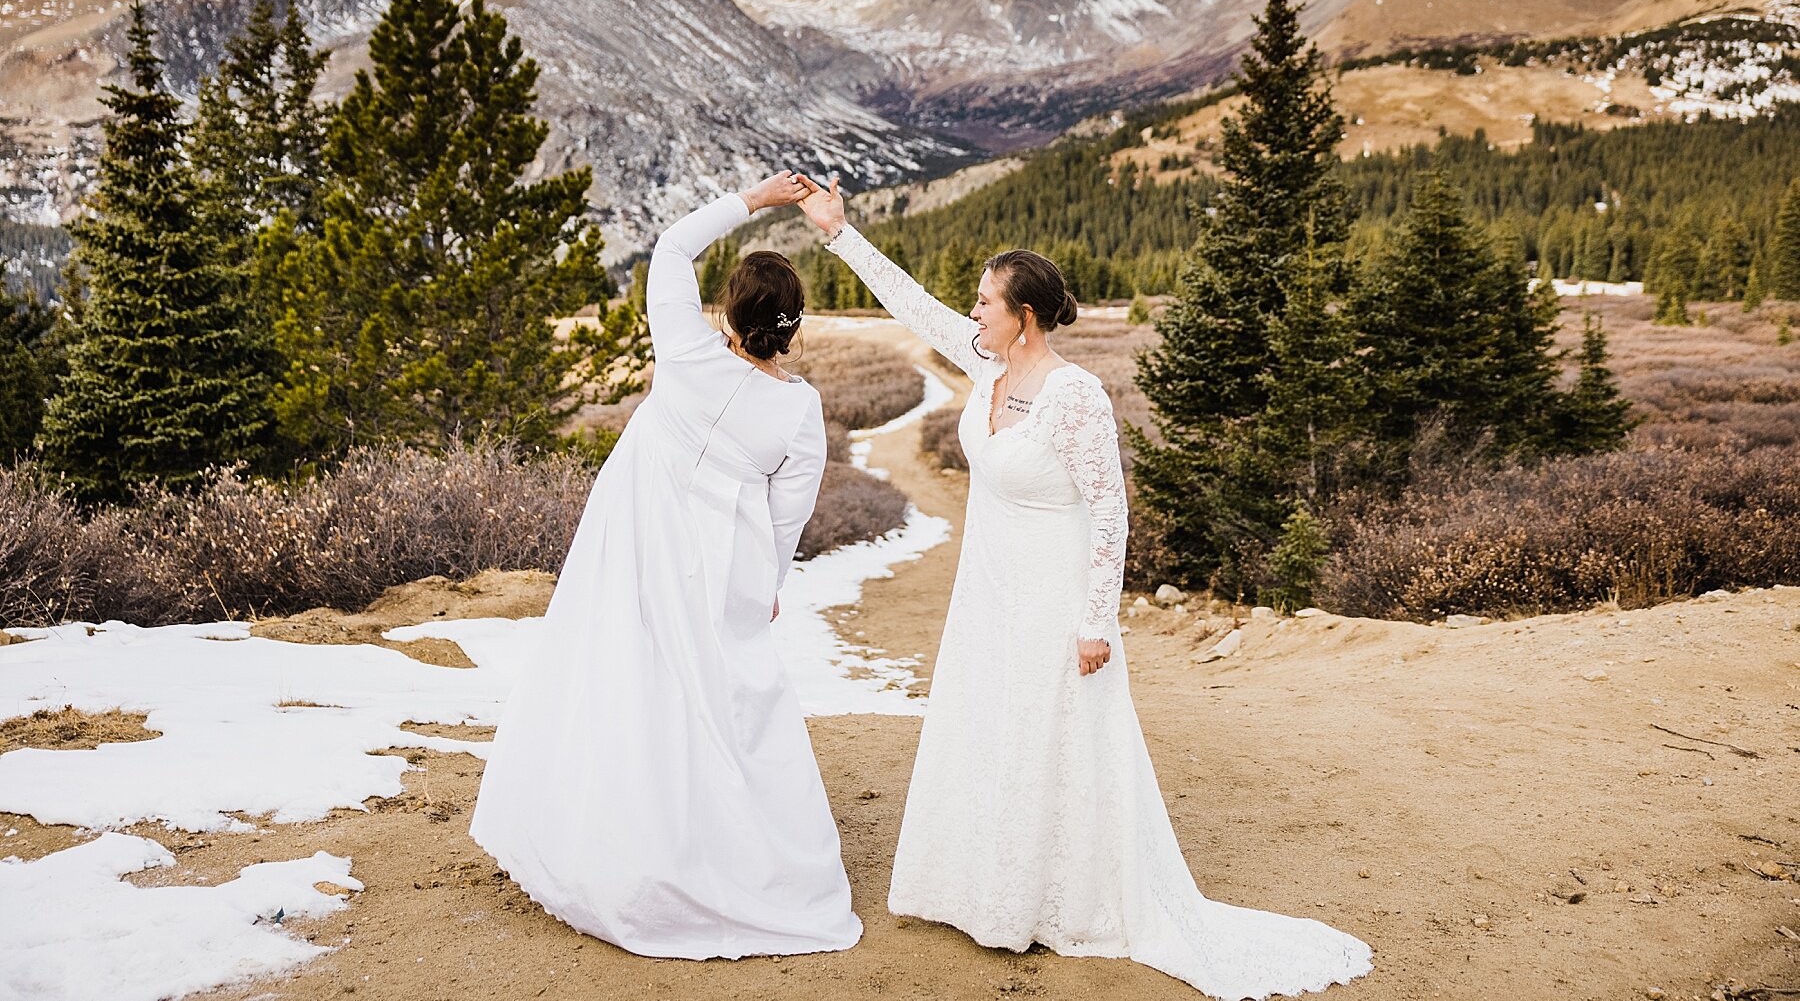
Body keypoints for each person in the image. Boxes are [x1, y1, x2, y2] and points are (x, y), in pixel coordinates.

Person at [797, 174, 1372, 998]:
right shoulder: (982, 364)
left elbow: (1109, 508)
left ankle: (1047, 899)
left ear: (1023, 315)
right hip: (988, 589)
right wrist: (838, 233)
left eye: (986, 303)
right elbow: (915, 306)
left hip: (1055, 595)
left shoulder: (1075, 396)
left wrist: (1098, 618)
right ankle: (976, 889)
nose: (973, 314)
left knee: (1050, 734)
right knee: (989, 725)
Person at [469, 172, 862, 959]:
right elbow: (789, 516)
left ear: (726, 312)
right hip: (719, 573)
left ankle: (615, 845)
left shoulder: (684, 350)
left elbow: (673, 245)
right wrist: (770, 588)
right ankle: (736, 859)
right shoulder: (799, 409)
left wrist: (754, 199)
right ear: (791, 329)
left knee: (624, 690)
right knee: (726, 714)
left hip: (633, 548)